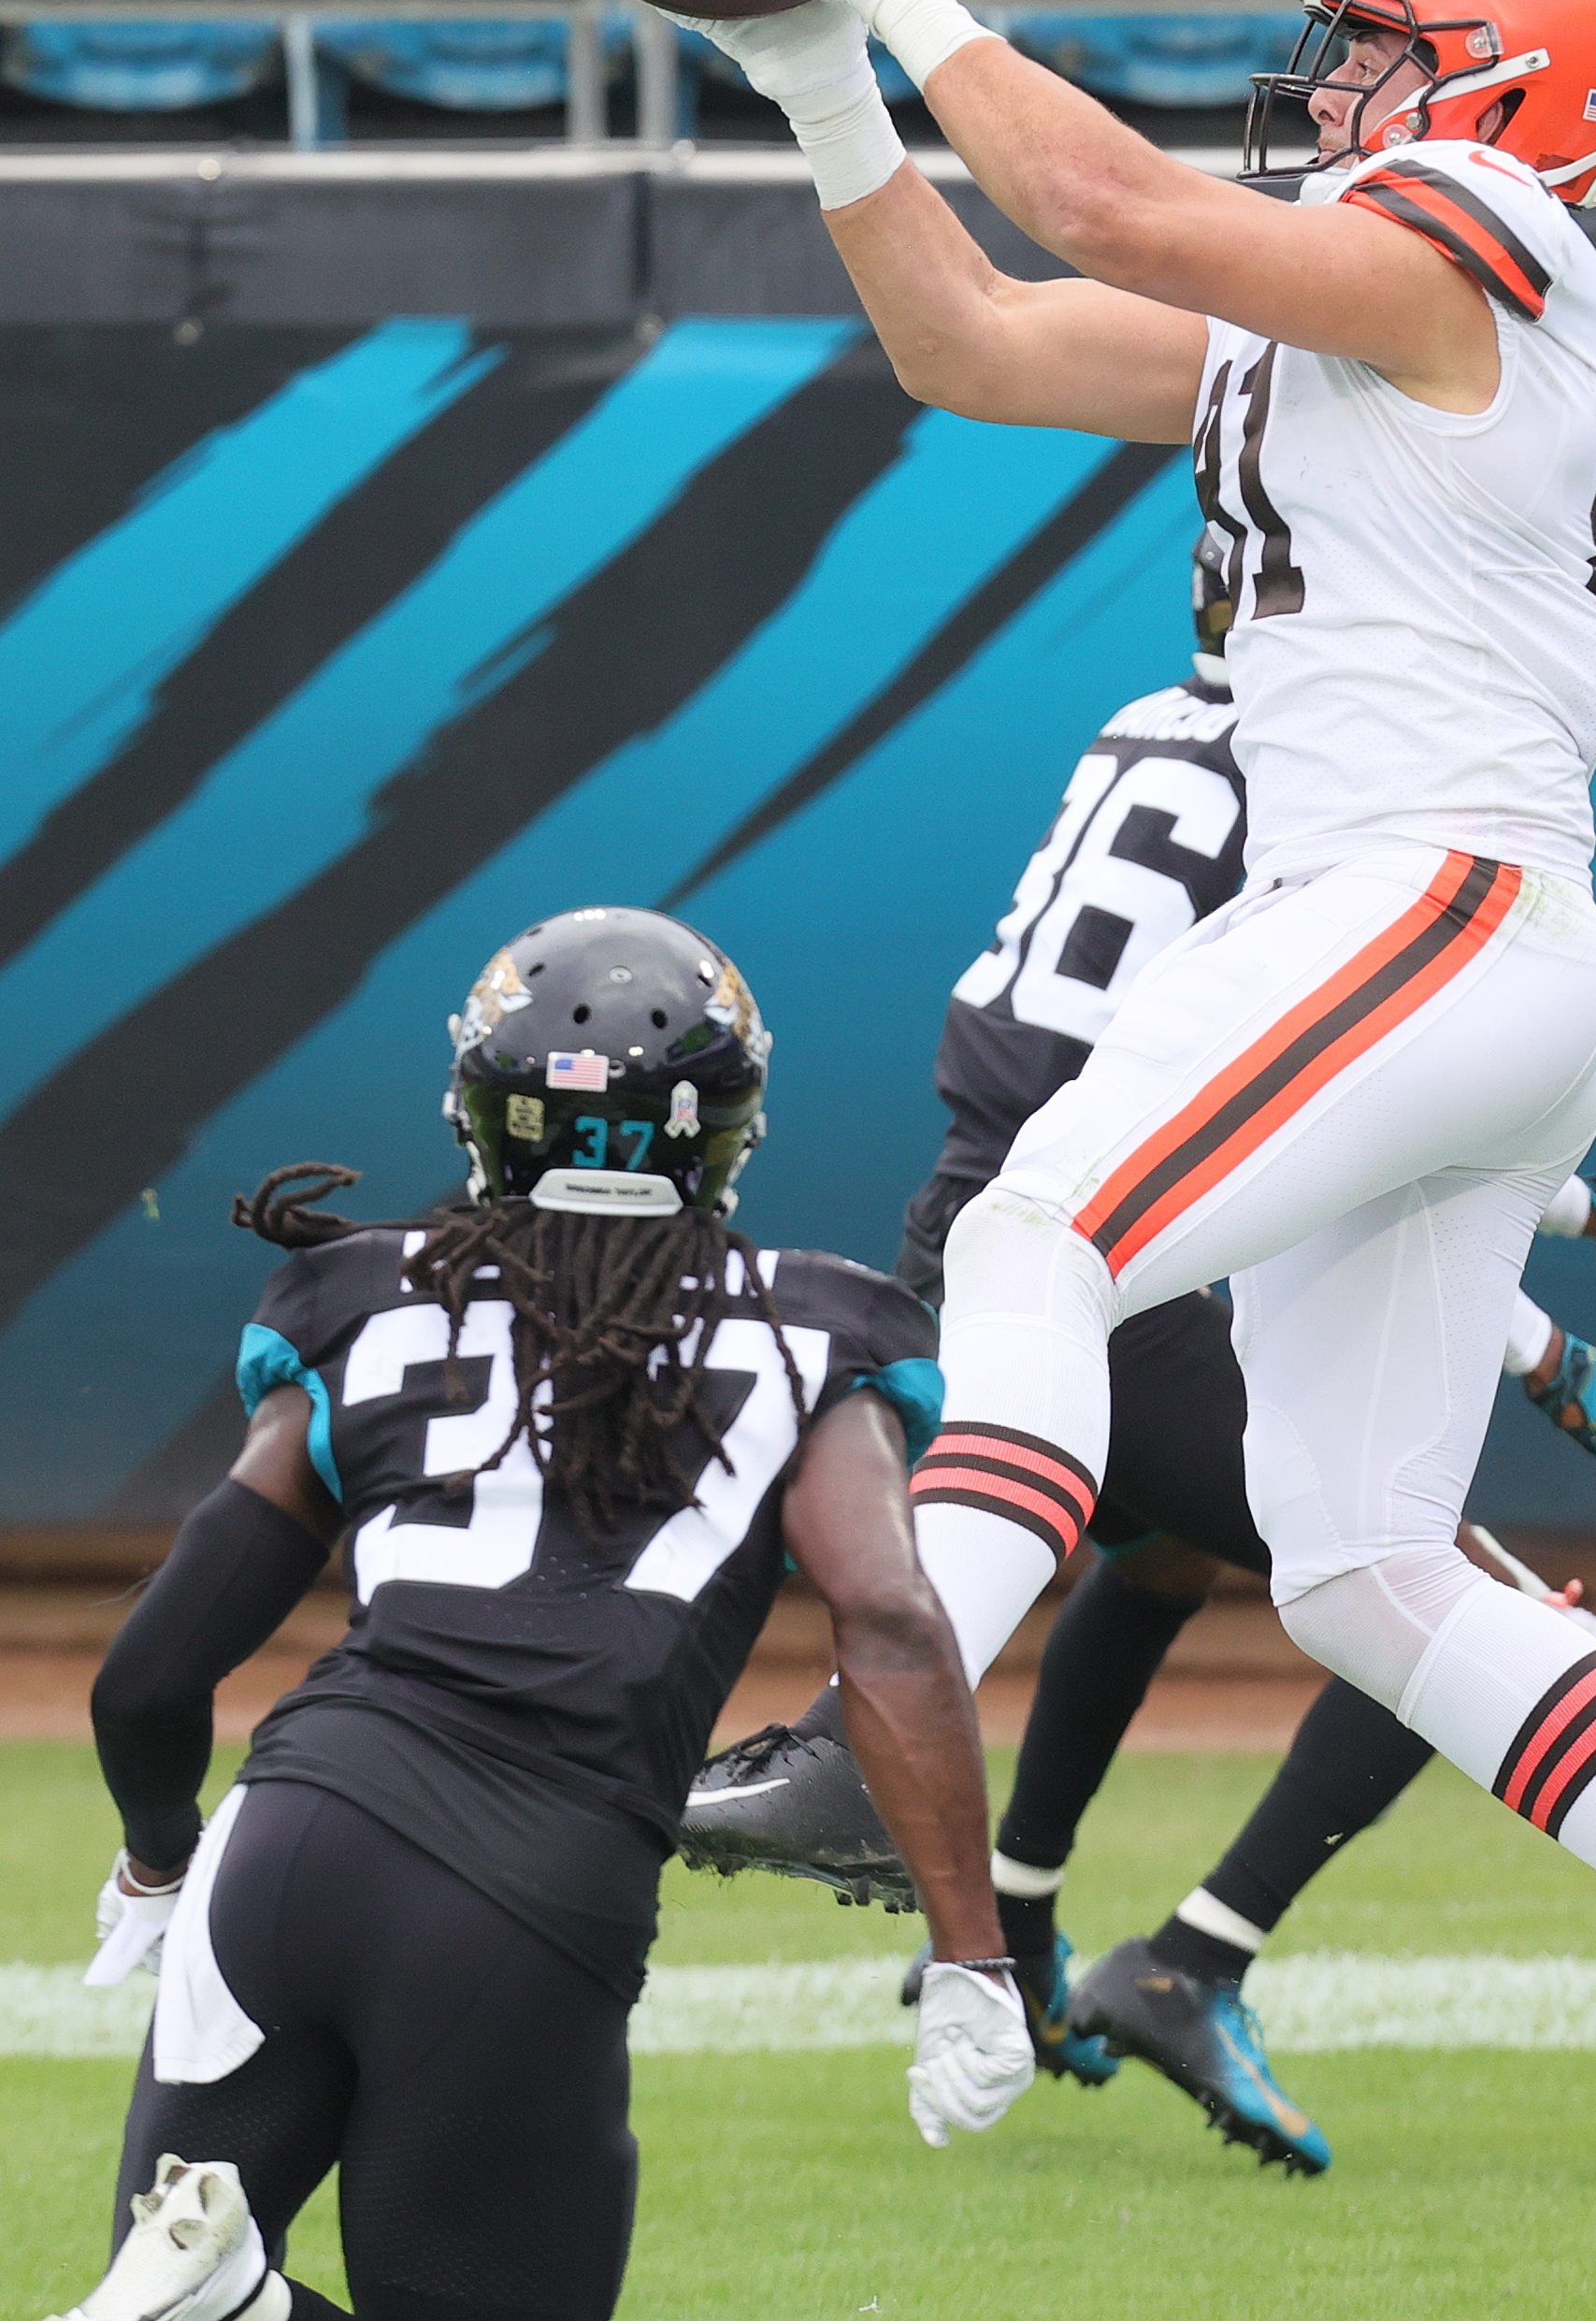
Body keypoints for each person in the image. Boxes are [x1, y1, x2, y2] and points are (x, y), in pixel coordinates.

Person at [679, 0, 1596, 2274]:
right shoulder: (1341, 313)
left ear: (1500, 100)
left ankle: (879, 1725)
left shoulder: (1504, 241)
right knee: (1360, 1568)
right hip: (1444, 951)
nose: (1330, 93)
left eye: (1373, 57)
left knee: (1040, 1230)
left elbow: (1115, 211)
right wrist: (828, 71)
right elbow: (976, 337)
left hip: (1420, 906)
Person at [683, 574, 1596, 2179]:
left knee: (1163, 1552)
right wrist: (1540, 1339)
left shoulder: (1155, 720)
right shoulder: (1347, 786)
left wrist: (1560, 1208)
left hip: (1006, 1208)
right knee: (1451, 1597)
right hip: (1115, 1248)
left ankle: (1018, 1913)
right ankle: (1193, 1957)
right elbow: (1334, 1110)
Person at [56, 909, 1025, 2321]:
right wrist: (973, 1952)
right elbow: (886, 1618)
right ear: (727, 1121)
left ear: (480, 1112)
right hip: (518, 1897)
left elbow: (147, 1679)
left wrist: (159, 1862)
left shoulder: (371, 1297)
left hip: (277, 1848)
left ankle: (234, 2305)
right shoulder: (810, 1330)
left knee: (178, 2277)